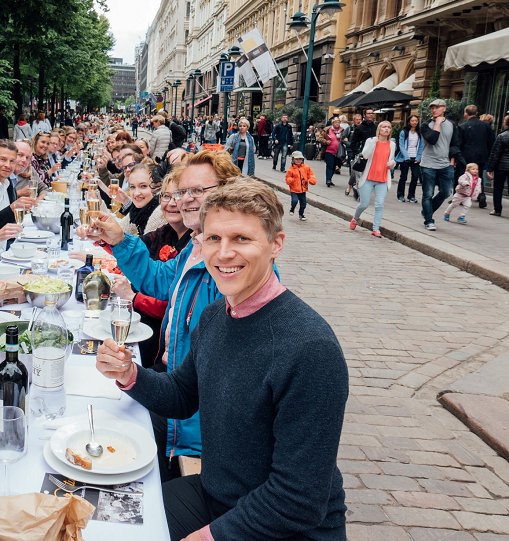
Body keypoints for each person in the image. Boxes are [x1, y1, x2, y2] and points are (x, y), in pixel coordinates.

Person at [95, 177, 348, 541]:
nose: (224, 253)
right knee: (102, 519)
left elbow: (299, 498)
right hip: (217, 495)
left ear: (276, 244)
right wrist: (130, 373)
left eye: (241, 239)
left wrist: (207, 536)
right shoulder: (216, 315)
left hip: (284, 528)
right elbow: (182, 396)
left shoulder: (309, 347)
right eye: (214, 238)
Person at [83, 150, 247, 482]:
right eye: (181, 191)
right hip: (178, 387)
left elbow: (225, 374)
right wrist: (119, 240)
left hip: (199, 419)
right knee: (99, 414)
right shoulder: (197, 246)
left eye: (198, 191)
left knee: (108, 439)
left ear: (228, 192)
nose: (186, 200)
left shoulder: (229, 264)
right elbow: (161, 280)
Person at [110, 165, 191, 368]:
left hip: (161, 340)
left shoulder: (194, 244)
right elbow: (133, 248)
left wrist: (134, 298)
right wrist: (108, 240)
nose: (171, 203)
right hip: (145, 324)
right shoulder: (165, 231)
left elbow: (176, 304)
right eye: (165, 196)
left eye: (177, 195)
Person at [419, 99, 462, 231]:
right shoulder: (425, 125)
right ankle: (429, 220)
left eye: (437, 107)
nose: (434, 110)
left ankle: (427, 210)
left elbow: (455, 143)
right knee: (428, 193)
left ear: (444, 108)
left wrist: (452, 161)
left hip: (445, 164)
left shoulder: (451, 125)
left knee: (446, 192)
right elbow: (432, 140)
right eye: (432, 107)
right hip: (428, 164)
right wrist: (437, 124)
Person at [350, 121, 397, 238]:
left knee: (379, 205)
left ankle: (376, 229)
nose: (386, 129)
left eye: (389, 127)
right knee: (364, 204)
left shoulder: (392, 144)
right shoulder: (371, 141)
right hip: (368, 177)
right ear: (379, 129)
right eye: (384, 127)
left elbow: (391, 159)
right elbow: (365, 155)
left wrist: (392, 163)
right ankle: (355, 218)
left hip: (383, 178)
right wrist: (373, 143)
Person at [457, 105, 491, 208]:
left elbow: (459, 143)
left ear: (465, 114)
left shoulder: (462, 126)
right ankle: (481, 194)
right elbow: (490, 142)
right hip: (481, 156)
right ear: (476, 113)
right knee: (478, 175)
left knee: (465, 177)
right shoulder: (486, 125)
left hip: (467, 156)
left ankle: (463, 197)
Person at [486, 115, 509, 217]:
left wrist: (490, 168)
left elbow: (495, 154)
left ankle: (497, 209)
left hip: (501, 167)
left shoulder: (502, 136)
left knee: (498, 188)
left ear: (506, 124)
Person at [285, 150, 316, 221]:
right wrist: (290, 180)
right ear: (293, 159)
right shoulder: (291, 169)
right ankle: (292, 208)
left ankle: (301, 214)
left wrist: (312, 180)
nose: (298, 160)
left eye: (300, 159)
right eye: (296, 159)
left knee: (303, 204)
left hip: (303, 189)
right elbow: (287, 177)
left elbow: (311, 174)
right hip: (294, 189)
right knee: (294, 201)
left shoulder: (306, 167)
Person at [323, 117, 344, 186]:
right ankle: (328, 180)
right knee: (330, 165)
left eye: (338, 122)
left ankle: (330, 179)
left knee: (334, 165)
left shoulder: (342, 130)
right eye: (336, 122)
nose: (337, 124)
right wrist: (326, 141)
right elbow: (320, 138)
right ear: (333, 123)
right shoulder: (327, 130)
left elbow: (344, 138)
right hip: (329, 150)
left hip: (338, 152)